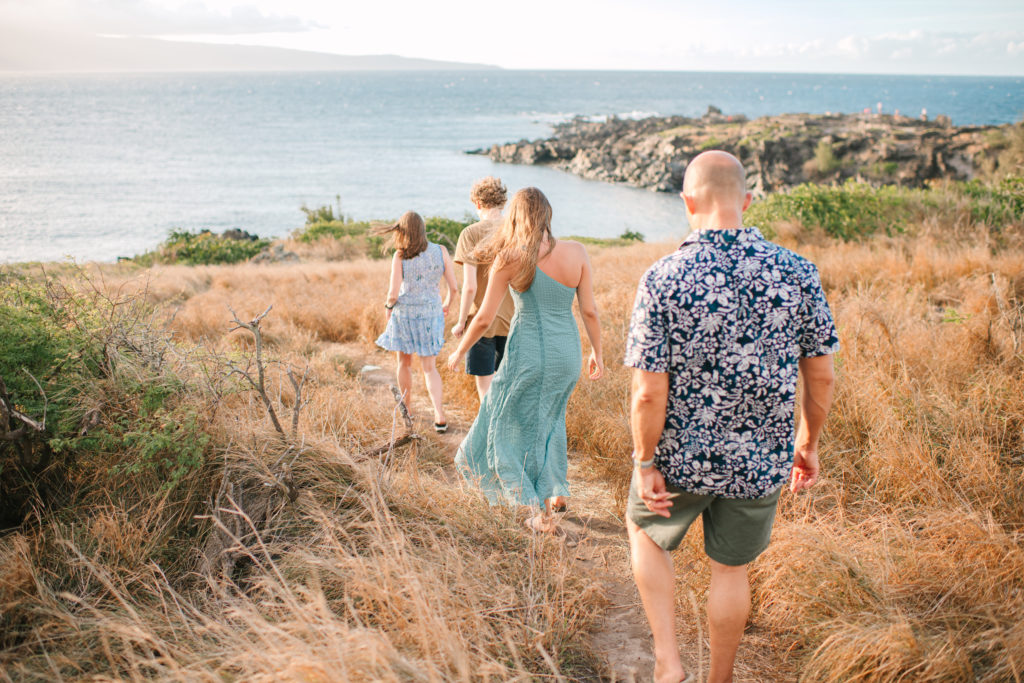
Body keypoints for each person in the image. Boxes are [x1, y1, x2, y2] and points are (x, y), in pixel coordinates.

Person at [624, 151, 839, 683]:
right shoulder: (797, 272)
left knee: (646, 531)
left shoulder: (664, 277)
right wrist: (806, 445)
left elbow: (648, 393)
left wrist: (644, 460)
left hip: (678, 457)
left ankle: (668, 662)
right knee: (731, 571)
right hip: (759, 459)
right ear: (745, 201)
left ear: (688, 201)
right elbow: (823, 378)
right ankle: (719, 678)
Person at [446, 187, 604, 533]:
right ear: (548, 214)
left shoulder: (509, 258)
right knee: (550, 419)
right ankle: (555, 494)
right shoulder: (577, 252)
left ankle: (528, 504)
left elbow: (485, 318)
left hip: (528, 353)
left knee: (503, 422)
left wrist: (459, 350)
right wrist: (597, 351)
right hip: (567, 355)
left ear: (516, 217)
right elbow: (589, 311)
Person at [374, 211, 459, 433]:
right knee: (430, 368)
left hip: (406, 315)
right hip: (431, 314)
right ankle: (439, 416)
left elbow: (393, 293)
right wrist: (447, 304)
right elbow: (454, 288)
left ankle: (408, 410)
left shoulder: (400, 255)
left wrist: (388, 308)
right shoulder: (440, 251)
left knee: (404, 364)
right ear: (422, 229)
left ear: (403, 231)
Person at [452, 177, 516, 400]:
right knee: (508, 388)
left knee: (485, 391)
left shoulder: (470, 233)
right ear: (503, 203)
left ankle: (491, 434)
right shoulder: (516, 231)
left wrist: (461, 322)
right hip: (513, 320)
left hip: (481, 322)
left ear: (478, 203)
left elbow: (470, 287)